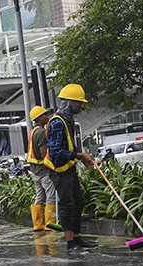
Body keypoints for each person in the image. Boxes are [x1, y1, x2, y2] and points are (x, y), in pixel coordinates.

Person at [45, 83, 98, 251]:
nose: (80, 106)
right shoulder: (57, 123)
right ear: (68, 103)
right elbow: (56, 153)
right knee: (67, 204)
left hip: (69, 168)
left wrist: (82, 158)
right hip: (59, 170)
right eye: (78, 103)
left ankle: (77, 239)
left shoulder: (68, 120)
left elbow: (69, 146)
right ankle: (70, 244)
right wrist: (79, 156)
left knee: (78, 202)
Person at [27, 105, 57, 232]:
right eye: (45, 115)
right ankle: (50, 225)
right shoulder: (40, 133)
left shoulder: (33, 131)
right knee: (50, 196)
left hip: (35, 170)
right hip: (43, 170)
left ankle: (37, 224)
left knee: (39, 196)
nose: (47, 117)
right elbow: (44, 152)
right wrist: (52, 166)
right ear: (39, 118)